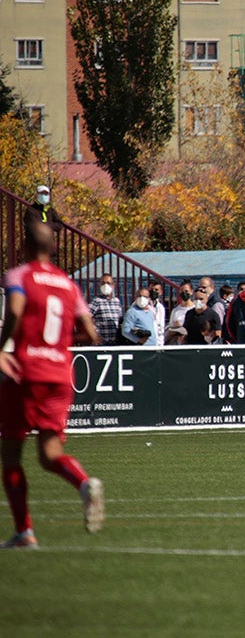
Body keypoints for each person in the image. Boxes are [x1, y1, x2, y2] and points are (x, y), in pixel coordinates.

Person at [0, 222, 104, 548]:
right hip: (60, 374)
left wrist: (2, 346)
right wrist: (61, 342)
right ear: (54, 248)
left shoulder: (18, 276)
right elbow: (91, 334)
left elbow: (15, 311)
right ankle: (84, 483)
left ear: (24, 248)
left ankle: (25, 532)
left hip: (25, 371)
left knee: (12, 454)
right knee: (49, 453)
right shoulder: (68, 285)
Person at [88, 273, 122, 345]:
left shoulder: (116, 301)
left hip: (115, 342)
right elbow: (86, 318)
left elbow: (119, 319)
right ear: (100, 285)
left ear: (113, 285)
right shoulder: (96, 301)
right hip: (101, 343)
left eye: (108, 283)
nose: (105, 285)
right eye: (103, 283)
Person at [166, 280, 196, 345]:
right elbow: (170, 326)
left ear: (191, 292)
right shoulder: (175, 310)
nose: (184, 293)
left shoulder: (195, 309)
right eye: (182, 291)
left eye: (186, 291)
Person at [147, 279, 167, 345]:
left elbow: (161, 327)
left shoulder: (161, 308)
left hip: (158, 343)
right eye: (151, 290)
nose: (153, 292)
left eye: (156, 290)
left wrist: (161, 344)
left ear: (160, 292)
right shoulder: (143, 305)